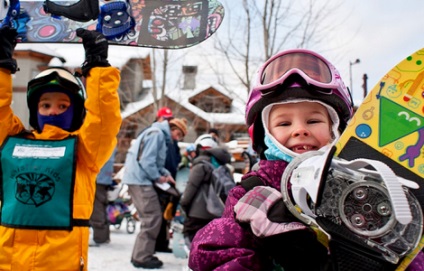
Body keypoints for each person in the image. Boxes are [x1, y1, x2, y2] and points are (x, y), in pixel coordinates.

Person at [187, 49, 424, 271]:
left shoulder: (364, 184)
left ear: (337, 129)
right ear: (264, 134)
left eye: (313, 121)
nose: (300, 130)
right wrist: (269, 255)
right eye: (284, 123)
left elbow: (411, 256)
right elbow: (215, 253)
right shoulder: (252, 192)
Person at [0, 26, 121, 271]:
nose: (52, 111)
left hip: (59, 261)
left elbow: (103, 119)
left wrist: (97, 67)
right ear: (35, 112)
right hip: (8, 259)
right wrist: (2, 66)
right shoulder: (12, 141)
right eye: (45, 105)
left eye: (62, 105)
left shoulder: (85, 151)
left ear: (75, 113)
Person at [122, 117, 187, 269]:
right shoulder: (157, 134)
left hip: (139, 179)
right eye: (178, 135)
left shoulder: (157, 134)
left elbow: (155, 162)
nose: (176, 139)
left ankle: (141, 254)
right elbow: (147, 162)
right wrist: (159, 177)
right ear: (174, 130)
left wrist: (165, 173)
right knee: (152, 217)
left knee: (152, 217)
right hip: (140, 180)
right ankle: (142, 257)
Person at [180, 145, 232, 249]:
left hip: (196, 214)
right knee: (210, 244)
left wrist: (184, 205)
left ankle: (195, 262)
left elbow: (191, 188)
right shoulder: (225, 169)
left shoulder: (201, 166)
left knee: (192, 241)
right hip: (217, 214)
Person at [89, 147, 117, 246]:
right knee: (101, 205)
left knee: (97, 207)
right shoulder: (111, 139)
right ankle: (103, 236)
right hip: (104, 177)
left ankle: (100, 237)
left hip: (98, 178)